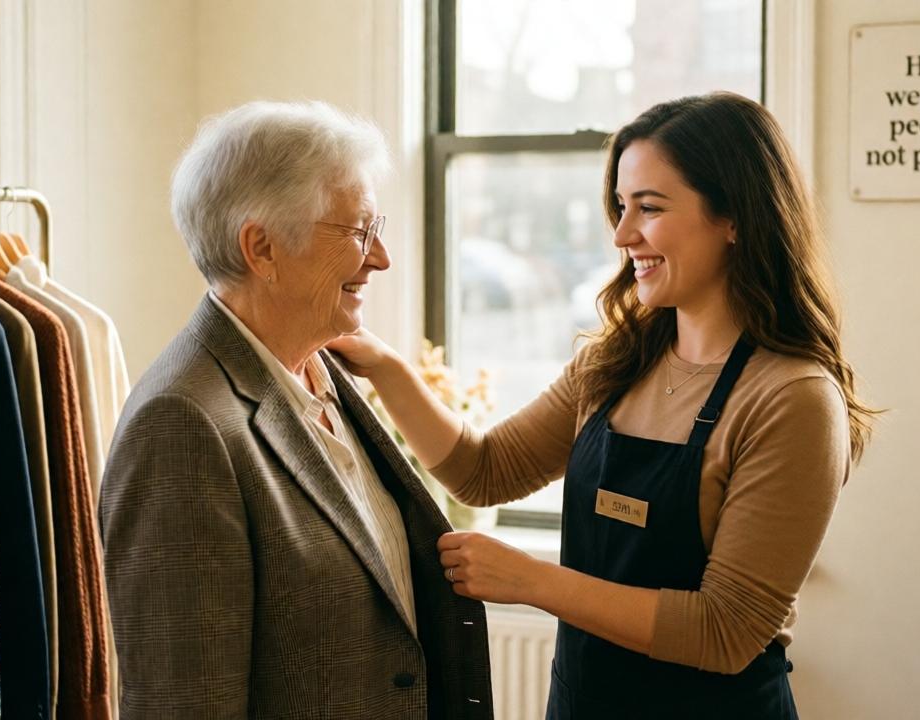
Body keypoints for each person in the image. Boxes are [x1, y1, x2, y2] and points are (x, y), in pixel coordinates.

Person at [332, 92, 874, 719]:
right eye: (621, 207)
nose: (622, 235)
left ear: (734, 218)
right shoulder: (614, 363)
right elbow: (484, 471)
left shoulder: (791, 399)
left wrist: (531, 582)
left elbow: (725, 632)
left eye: (649, 207)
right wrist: (385, 368)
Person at [99, 101, 493, 719]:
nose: (381, 256)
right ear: (262, 248)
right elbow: (184, 701)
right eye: (359, 230)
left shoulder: (326, 369)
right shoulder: (180, 423)